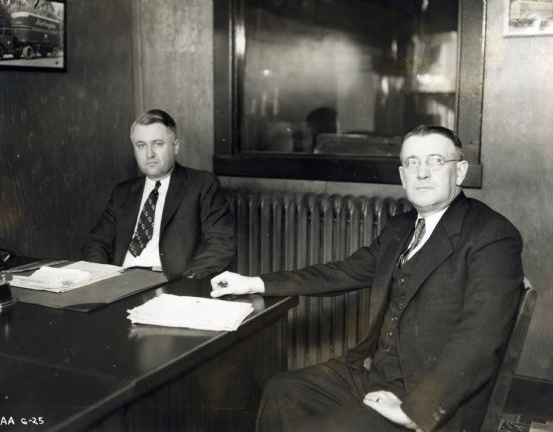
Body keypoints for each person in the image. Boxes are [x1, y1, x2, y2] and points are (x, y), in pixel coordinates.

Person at [210, 125, 524, 432]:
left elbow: (480, 337)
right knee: (282, 390)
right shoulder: (400, 227)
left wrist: (417, 411)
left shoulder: (490, 234)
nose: (422, 173)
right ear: (402, 176)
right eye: (412, 163)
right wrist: (254, 283)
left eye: (436, 161)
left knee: (326, 426)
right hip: (373, 374)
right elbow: (342, 272)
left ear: (460, 172)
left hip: (428, 394)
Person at [83, 109, 234, 280]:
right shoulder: (122, 192)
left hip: (171, 284)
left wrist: (185, 283)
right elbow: (97, 242)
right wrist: (101, 278)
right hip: (119, 282)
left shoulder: (202, 184)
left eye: (157, 144)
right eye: (141, 145)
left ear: (175, 146)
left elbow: (221, 243)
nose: (149, 154)